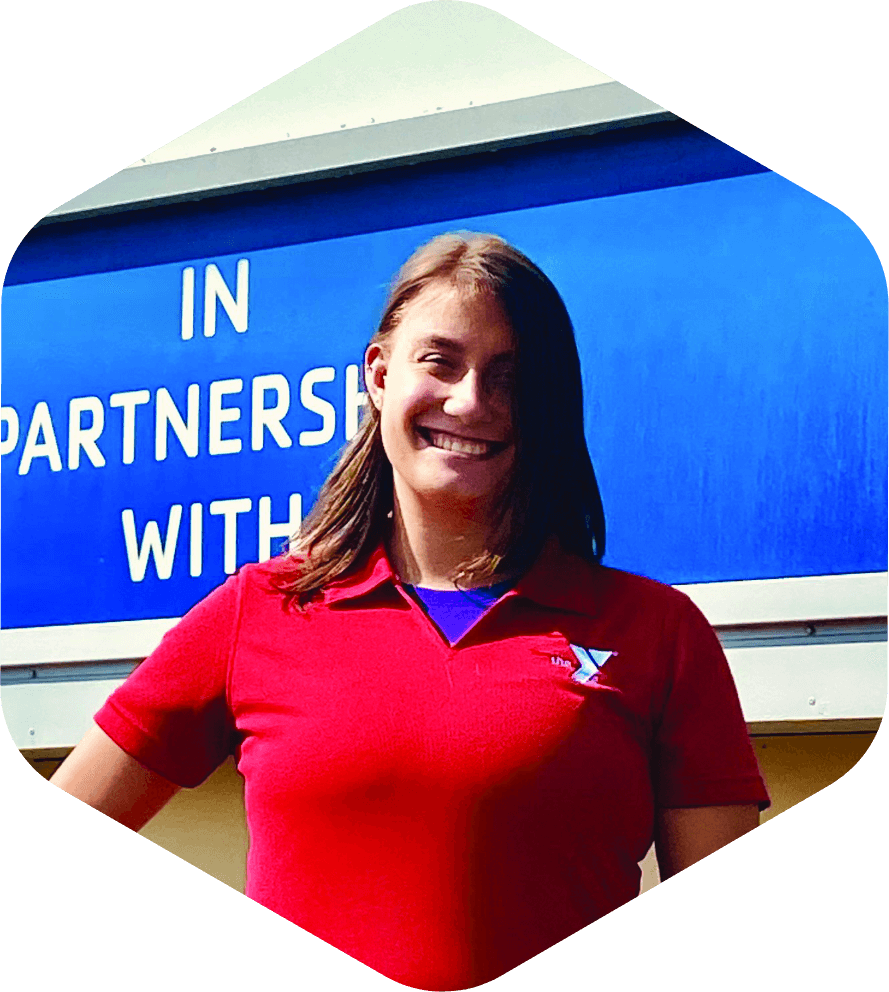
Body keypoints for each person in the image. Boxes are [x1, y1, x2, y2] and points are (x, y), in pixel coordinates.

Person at [50, 231, 771, 990]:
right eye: (441, 362)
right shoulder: (257, 611)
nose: (470, 402)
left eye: (510, 376)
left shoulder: (656, 633)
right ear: (378, 374)